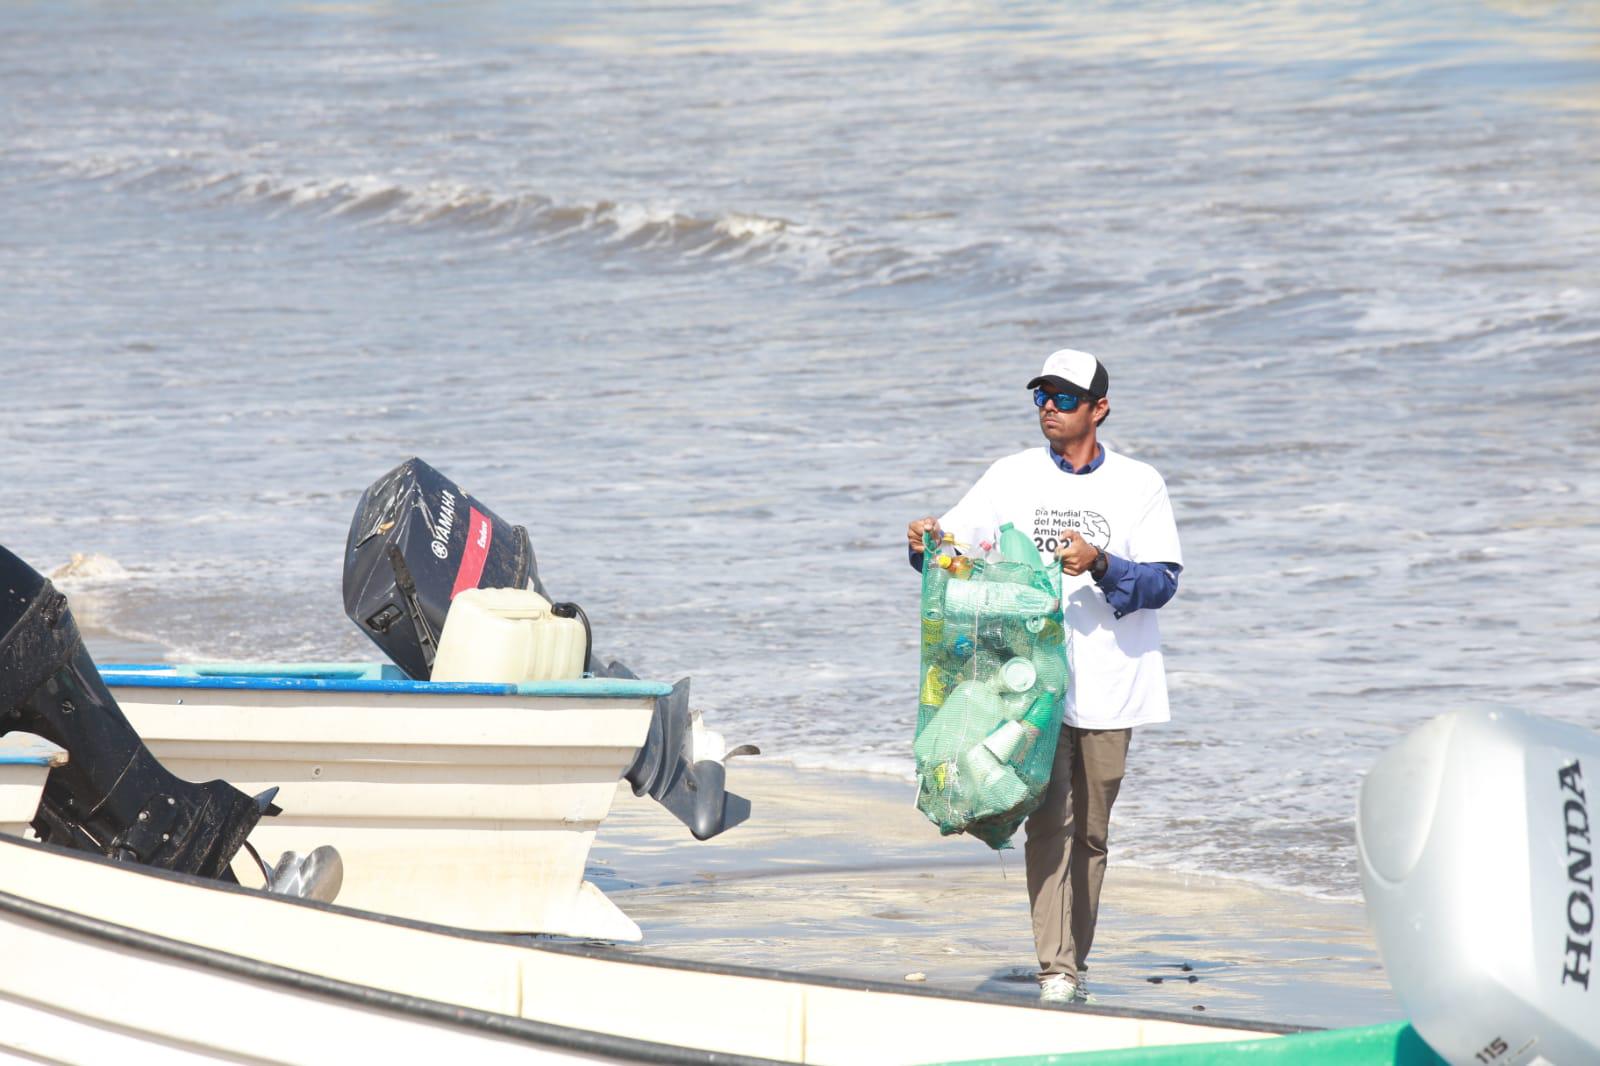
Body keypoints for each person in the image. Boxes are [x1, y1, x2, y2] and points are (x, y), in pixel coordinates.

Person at [905, 348, 1182, 1004]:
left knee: (1092, 831)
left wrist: (1101, 563)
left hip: (1113, 681)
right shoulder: (1011, 476)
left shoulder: (1140, 484)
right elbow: (956, 556)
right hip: (1026, 685)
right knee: (1046, 820)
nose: (1049, 409)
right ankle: (1054, 968)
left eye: (1063, 398)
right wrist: (922, 544)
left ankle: (1074, 962)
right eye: (1041, 397)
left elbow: (1162, 582)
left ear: (1098, 409)